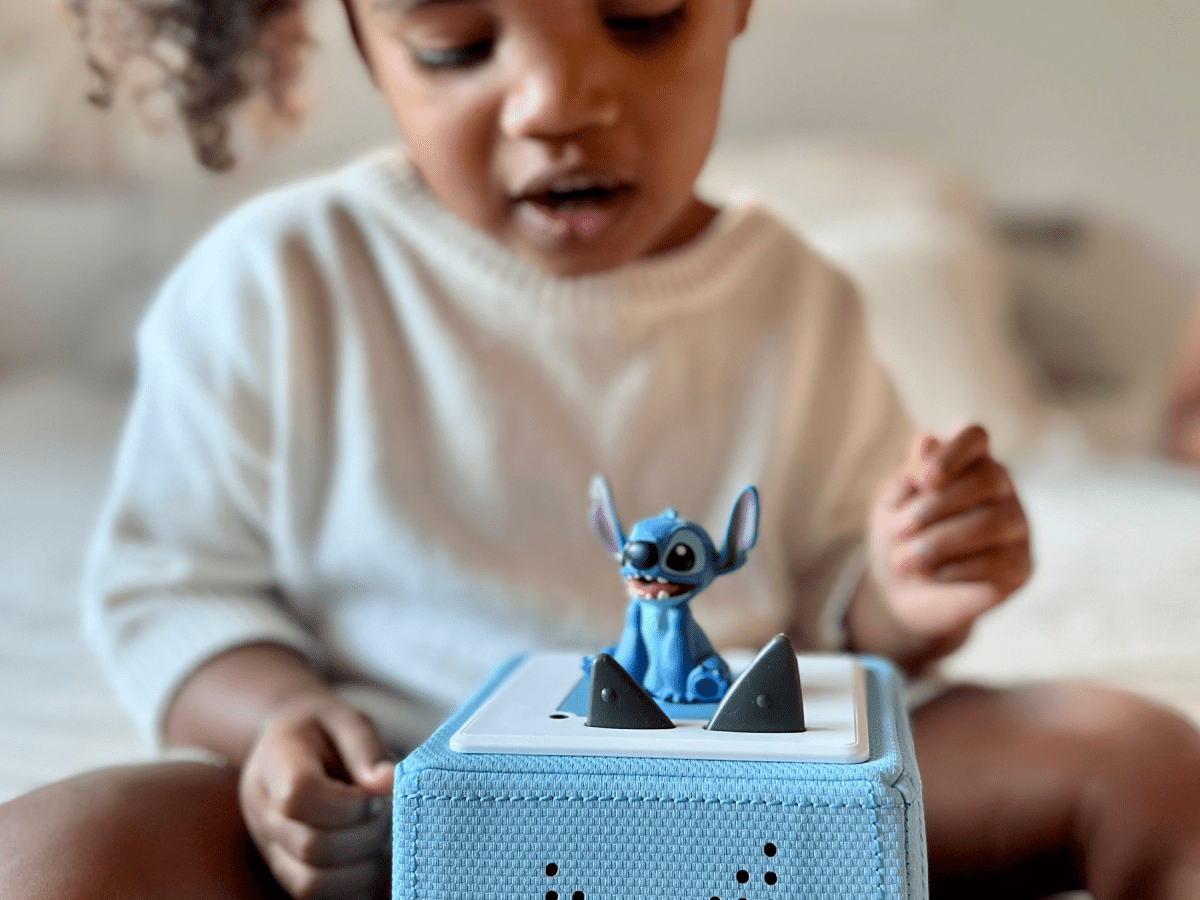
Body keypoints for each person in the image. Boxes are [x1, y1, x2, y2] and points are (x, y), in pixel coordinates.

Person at [3, 1, 1200, 899]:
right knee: (52, 852)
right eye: (458, 46)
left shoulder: (796, 300)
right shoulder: (275, 281)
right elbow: (175, 590)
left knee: (1137, 756)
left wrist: (908, 590)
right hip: (398, 805)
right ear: (365, 39)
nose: (555, 103)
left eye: (639, 18)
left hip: (755, 791)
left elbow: (842, 625)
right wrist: (281, 720)